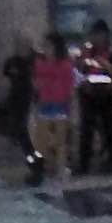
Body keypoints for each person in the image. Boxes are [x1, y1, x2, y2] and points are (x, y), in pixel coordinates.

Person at [73, 22, 112, 176]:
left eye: (99, 35)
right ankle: (84, 163)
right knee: (86, 129)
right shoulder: (86, 52)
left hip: (107, 93)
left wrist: (107, 67)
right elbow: (78, 71)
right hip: (89, 93)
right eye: (94, 35)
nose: (96, 38)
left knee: (110, 128)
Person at [24, 38, 74, 185]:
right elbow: (36, 83)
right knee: (41, 141)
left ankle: (61, 168)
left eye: (49, 47)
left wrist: (70, 105)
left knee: (60, 141)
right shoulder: (40, 65)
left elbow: (69, 86)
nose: (46, 50)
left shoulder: (65, 65)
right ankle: (42, 168)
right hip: (45, 103)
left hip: (60, 104)